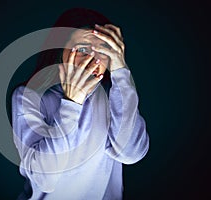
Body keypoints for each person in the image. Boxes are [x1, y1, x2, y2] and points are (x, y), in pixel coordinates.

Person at [11, 8, 149, 200]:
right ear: (59, 52)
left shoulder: (114, 95)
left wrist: (121, 72)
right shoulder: (28, 97)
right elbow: (45, 179)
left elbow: (131, 153)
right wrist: (71, 103)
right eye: (83, 49)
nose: (93, 60)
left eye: (103, 50)